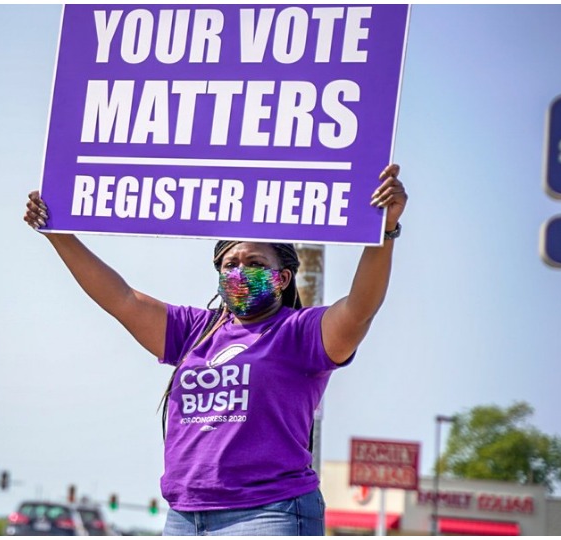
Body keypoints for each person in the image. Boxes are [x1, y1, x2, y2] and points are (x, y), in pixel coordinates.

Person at [23, 164, 407, 536]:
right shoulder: (194, 330)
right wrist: (58, 234)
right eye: (230, 263)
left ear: (283, 277)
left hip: (269, 514)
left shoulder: (298, 333)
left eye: (255, 262)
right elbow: (119, 298)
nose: (240, 271)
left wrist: (386, 230)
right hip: (185, 518)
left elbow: (359, 309)